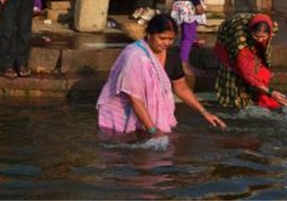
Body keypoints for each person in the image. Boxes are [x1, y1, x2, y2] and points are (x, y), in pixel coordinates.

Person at [96, 14, 226, 138]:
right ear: (149, 34)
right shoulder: (135, 57)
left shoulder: (172, 56)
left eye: (171, 39)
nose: (166, 43)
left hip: (150, 116)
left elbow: (181, 87)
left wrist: (204, 113)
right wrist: (152, 130)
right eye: (162, 38)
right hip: (123, 114)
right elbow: (134, 98)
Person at [214, 13, 287, 110]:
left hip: (249, 34)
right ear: (251, 31)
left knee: (256, 65)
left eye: (264, 37)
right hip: (228, 37)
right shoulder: (239, 39)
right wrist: (270, 92)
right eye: (256, 36)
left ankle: (254, 92)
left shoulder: (271, 25)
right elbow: (246, 71)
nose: (260, 40)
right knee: (235, 69)